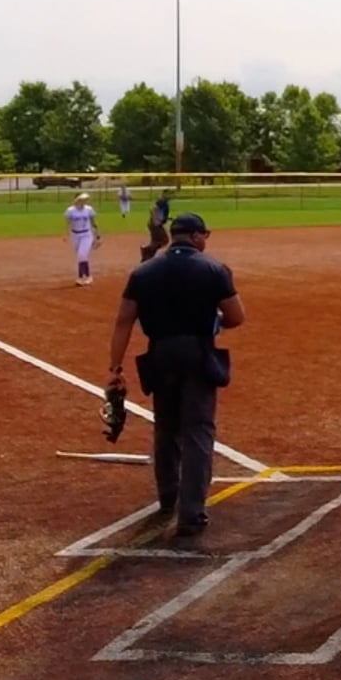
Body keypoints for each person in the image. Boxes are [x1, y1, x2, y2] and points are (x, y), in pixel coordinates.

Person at [106, 213, 245, 537]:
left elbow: (124, 320)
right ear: (195, 236)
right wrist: (215, 320)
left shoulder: (143, 272)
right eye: (205, 234)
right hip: (197, 353)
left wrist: (115, 368)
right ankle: (191, 514)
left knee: (166, 427)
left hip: (160, 354)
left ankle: (168, 496)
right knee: (197, 431)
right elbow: (237, 316)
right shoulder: (214, 269)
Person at [65, 192, 100, 286]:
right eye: (81, 200)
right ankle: (83, 277)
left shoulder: (89, 209)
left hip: (86, 234)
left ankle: (86, 277)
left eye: (84, 200)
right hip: (75, 235)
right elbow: (68, 223)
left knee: (82, 255)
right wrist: (66, 234)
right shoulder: (70, 210)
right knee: (81, 257)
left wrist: (97, 236)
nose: (84, 201)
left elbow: (93, 222)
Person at [141, 189, 173, 262]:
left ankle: (148, 256)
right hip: (155, 224)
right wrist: (155, 220)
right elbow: (153, 209)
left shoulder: (164, 202)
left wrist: (167, 218)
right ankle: (146, 250)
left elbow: (160, 213)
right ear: (164, 194)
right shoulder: (162, 201)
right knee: (164, 240)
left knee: (156, 241)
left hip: (155, 224)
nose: (170, 196)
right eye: (168, 194)